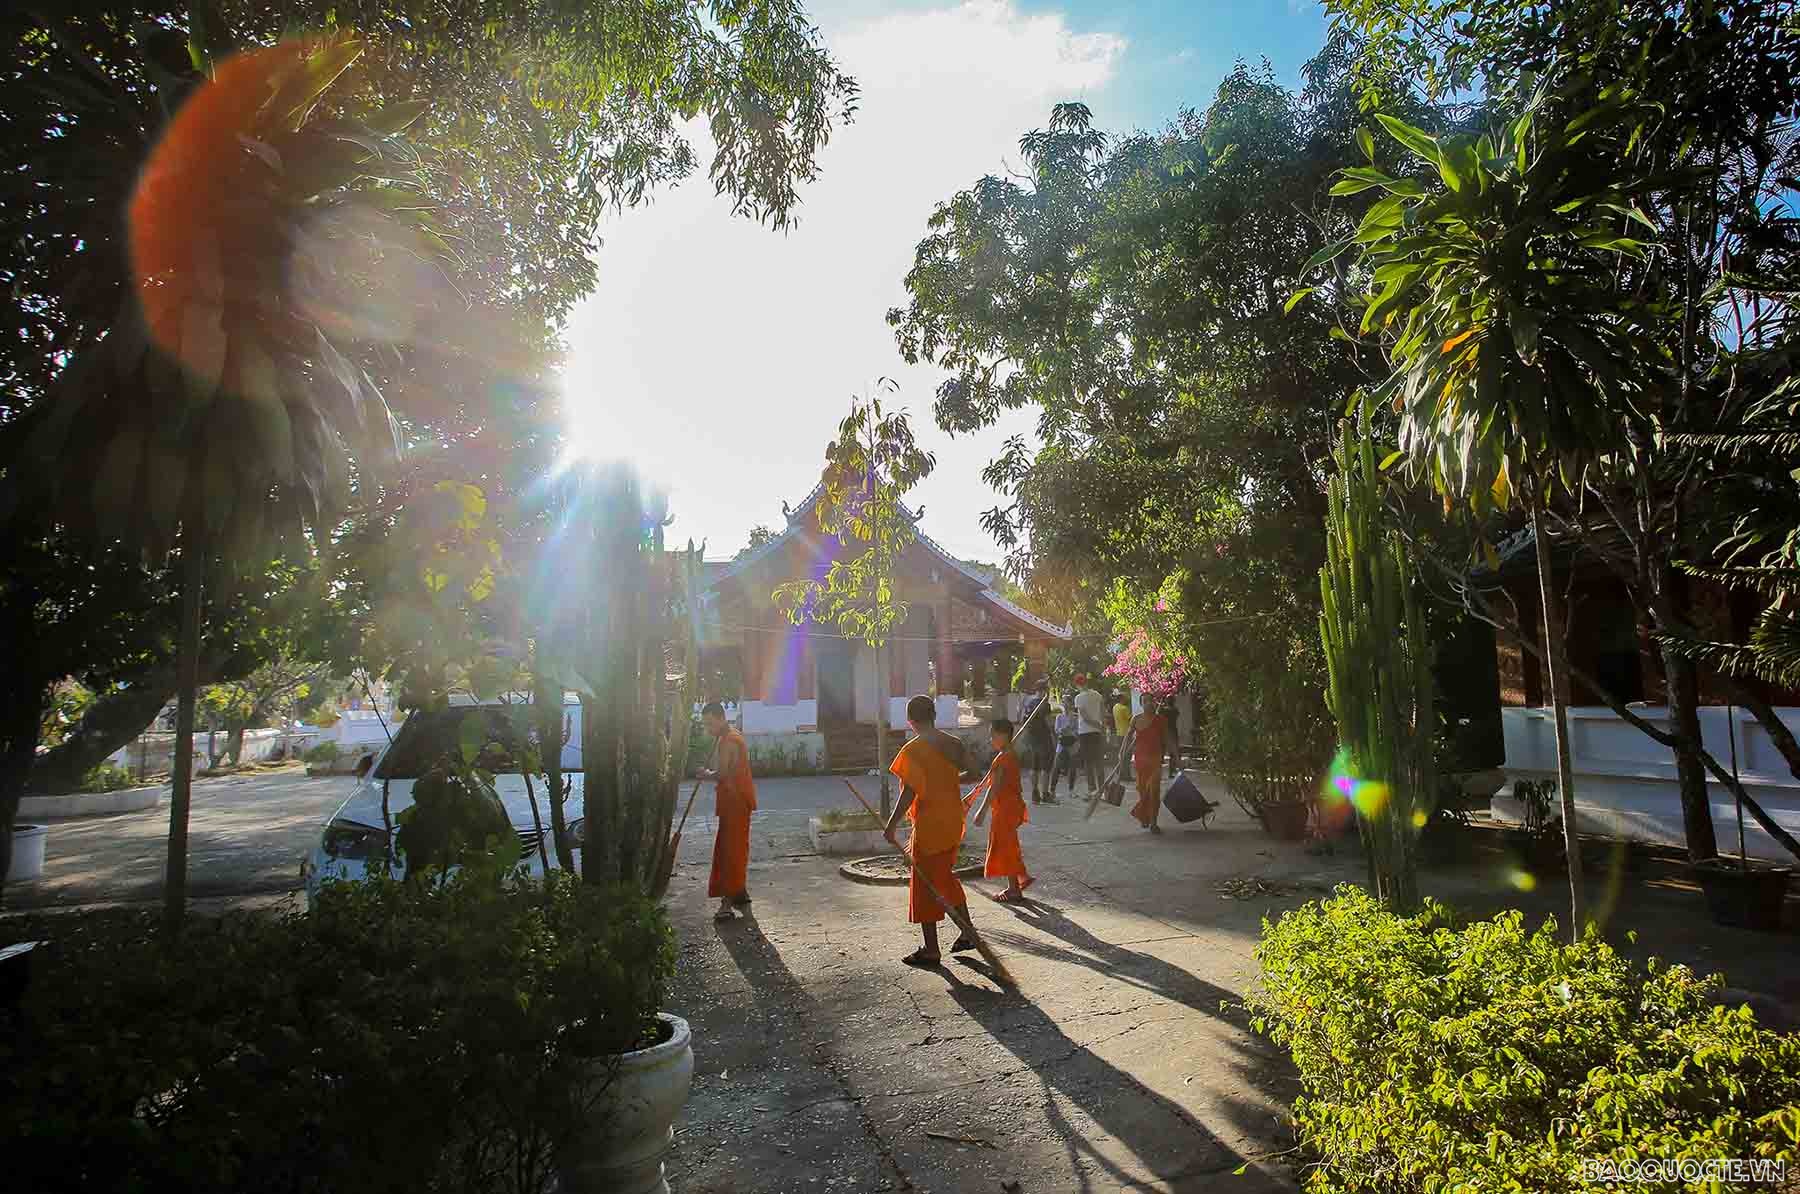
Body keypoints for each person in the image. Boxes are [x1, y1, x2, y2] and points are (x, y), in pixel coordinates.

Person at [882, 694, 978, 967]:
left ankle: (931, 949)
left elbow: (909, 792)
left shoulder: (913, 750)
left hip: (930, 824)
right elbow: (973, 772)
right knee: (944, 877)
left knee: (924, 884)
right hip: (952, 819)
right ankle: (967, 931)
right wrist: (946, 781)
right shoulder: (954, 743)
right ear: (934, 716)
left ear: (911, 721)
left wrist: (890, 826)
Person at [697, 701, 756, 920]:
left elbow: (722, 774)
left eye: (710, 724)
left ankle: (727, 903)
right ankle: (739, 892)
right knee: (735, 848)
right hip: (735, 801)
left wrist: (705, 773)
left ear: (721, 718)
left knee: (730, 852)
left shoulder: (729, 741)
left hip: (735, 803)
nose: (708, 729)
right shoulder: (731, 735)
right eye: (705, 725)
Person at [970, 718, 1033, 902]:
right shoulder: (1010, 755)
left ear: (1004, 736)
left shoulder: (1004, 758)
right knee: (1008, 845)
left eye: (993, 735)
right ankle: (1018, 880)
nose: (991, 739)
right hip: (1011, 806)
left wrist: (981, 812)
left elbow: (994, 787)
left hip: (1005, 808)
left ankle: (1014, 888)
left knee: (1005, 846)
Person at [1125, 697, 1167, 834]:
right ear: (1141, 704)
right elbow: (1127, 737)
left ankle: (1153, 822)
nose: (1149, 703)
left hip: (1155, 760)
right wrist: (1121, 753)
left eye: (1151, 700)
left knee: (1154, 791)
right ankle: (1144, 815)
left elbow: (1168, 739)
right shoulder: (1136, 719)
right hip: (1140, 761)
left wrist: (1177, 758)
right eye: (1146, 701)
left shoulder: (1160, 720)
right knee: (1143, 791)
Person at [1021, 680, 1057, 803]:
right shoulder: (1044, 704)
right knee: (1046, 767)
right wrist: (1054, 734)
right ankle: (1045, 794)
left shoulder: (1028, 702)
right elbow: (1048, 722)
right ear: (1044, 690)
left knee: (1034, 767)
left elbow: (1023, 720)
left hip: (1031, 738)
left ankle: (1034, 793)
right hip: (1043, 738)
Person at [1073, 674, 1108, 796]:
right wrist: (1102, 727)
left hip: (1084, 733)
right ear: (1086, 682)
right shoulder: (1097, 695)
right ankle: (1103, 789)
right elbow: (1104, 713)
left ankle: (1092, 789)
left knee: (1088, 763)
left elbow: (1084, 717)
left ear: (1077, 684)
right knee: (1099, 762)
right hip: (1096, 733)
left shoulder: (1078, 698)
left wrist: (1096, 725)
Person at [1049, 696, 1079, 798]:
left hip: (1072, 743)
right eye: (1064, 702)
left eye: (1067, 703)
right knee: (1056, 766)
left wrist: (1070, 731)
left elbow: (1077, 731)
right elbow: (1057, 730)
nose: (1065, 705)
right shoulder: (1059, 717)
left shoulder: (1075, 717)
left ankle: (1071, 790)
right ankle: (1052, 790)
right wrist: (1064, 729)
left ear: (1071, 704)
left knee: (1073, 767)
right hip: (1062, 743)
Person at [1163, 696, 1182, 777]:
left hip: (1164, 731)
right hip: (1173, 731)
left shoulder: (1163, 710)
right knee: (1173, 753)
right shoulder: (1175, 710)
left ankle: (1170, 771)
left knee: (1162, 753)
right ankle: (1171, 771)